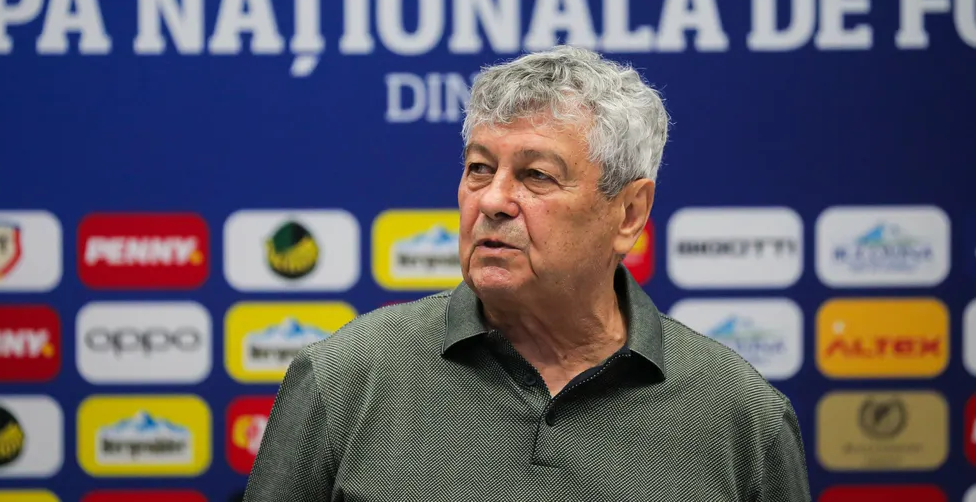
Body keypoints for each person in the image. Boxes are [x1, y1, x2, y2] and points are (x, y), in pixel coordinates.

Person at [243, 46, 811, 502]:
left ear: (629, 214)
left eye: (536, 175)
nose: (492, 200)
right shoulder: (343, 379)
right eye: (479, 168)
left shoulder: (741, 417)